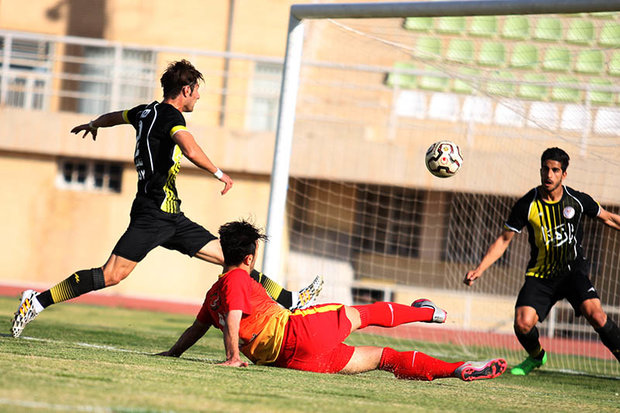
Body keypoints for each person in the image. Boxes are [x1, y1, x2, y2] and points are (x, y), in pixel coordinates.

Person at [11, 60, 322, 338]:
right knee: (111, 275)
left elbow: (115, 116)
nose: (198, 96)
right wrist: (219, 173)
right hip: (152, 215)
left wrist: (94, 123)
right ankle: (35, 301)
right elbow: (188, 147)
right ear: (185, 90)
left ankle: (291, 301)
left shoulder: (145, 111)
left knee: (233, 259)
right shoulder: (171, 116)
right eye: (197, 90)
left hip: (171, 216)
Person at [157, 219, 507, 382]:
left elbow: (197, 328)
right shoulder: (237, 279)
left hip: (292, 361)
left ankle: (458, 371)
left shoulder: (215, 291)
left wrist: (174, 353)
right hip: (301, 332)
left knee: (382, 359)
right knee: (364, 314)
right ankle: (426, 313)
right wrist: (233, 357)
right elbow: (232, 319)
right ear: (249, 258)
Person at [464, 147, 620, 375]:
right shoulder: (527, 204)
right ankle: (537, 356)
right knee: (522, 323)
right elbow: (504, 239)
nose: (549, 175)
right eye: (545, 169)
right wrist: (480, 269)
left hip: (573, 272)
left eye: (555, 170)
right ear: (540, 170)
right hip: (541, 275)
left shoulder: (576, 200)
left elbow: (608, 218)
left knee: (596, 315)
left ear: (563, 174)